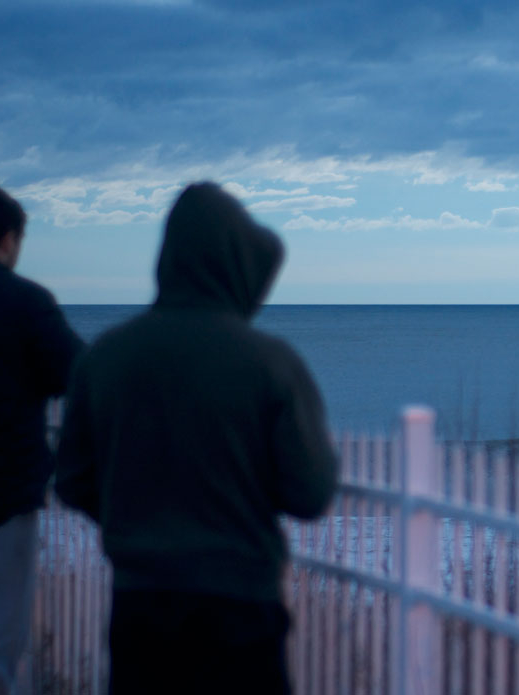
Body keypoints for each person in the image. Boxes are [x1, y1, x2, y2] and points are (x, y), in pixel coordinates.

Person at [55, 182, 338, 694]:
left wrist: (136, 511)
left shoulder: (106, 357)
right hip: (242, 607)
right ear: (236, 268)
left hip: (140, 605)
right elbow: (310, 493)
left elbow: (73, 482)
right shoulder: (270, 363)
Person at [0, 183, 84, 695]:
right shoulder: (24, 302)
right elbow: (77, 371)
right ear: (6, 239)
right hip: (4, 500)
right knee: (0, 644)